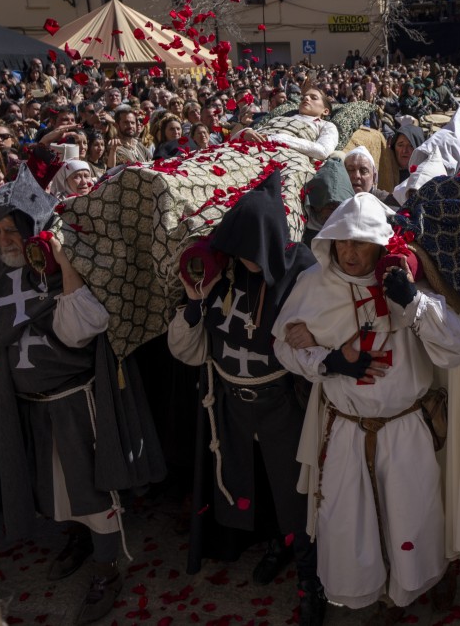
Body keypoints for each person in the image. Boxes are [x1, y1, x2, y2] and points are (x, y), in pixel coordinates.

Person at [0, 166, 164, 625]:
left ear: (35, 227)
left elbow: (81, 331)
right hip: (28, 405)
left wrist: (66, 265)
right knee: (52, 486)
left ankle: (107, 565)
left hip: (76, 401)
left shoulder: (65, 260)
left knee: (91, 485)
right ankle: (77, 540)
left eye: (13, 228)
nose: (5, 238)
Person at [272, 193, 460, 616]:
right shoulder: (315, 285)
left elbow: (454, 350)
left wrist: (413, 304)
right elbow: (284, 347)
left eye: (360, 242)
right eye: (342, 240)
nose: (349, 250)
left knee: (412, 516)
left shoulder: (406, 282)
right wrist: (330, 362)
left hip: (406, 429)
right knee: (350, 521)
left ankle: (409, 590)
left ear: (381, 244)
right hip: (345, 427)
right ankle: (376, 595)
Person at [166, 172, 326, 623]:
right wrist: (195, 303)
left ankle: (309, 576)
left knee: (296, 493)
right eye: (239, 248)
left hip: (283, 405)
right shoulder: (221, 276)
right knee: (253, 484)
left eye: (253, 248)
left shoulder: (300, 272)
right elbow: (188, 350)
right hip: (231, 408)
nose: (245, 258)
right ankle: (278, 544)